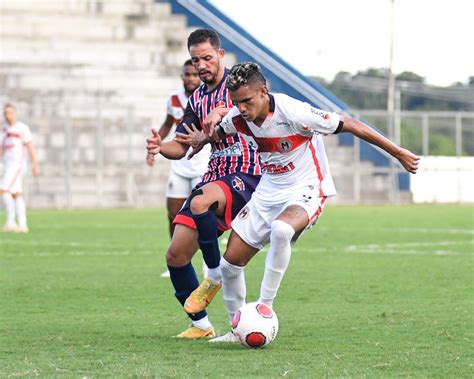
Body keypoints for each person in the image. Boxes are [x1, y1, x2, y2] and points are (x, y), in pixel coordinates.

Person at [180, 62, 420, 342]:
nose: (242, 108)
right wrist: (202, 138)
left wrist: (398, 152)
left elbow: (351, 124)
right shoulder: (238, 117)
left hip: (305, 188)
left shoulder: (295, 113)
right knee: (229, 266)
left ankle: (264, 308)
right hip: (268, 190)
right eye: (236, 102)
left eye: (246, 101)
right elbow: (219, 132)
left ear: (263, 91)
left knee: (282, 230)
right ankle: (238, 331)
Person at [146, 30, 262, 339]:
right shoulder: (196, 98)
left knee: (199, 203)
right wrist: (160, 147)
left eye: (208, 58)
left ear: (221, 55)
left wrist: (222, 111)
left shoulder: (238, 83)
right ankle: (201, 325)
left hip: (246, 171)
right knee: (175, 255)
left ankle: (213, 273)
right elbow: (181, 146)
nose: (202, 66)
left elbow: (256, 107)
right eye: (196, 60)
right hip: (215, 174)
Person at [147, 59, 210, 278]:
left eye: (194, 74)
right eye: (187, 74)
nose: (191, 78)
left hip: (202, 164)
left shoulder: (205, 97)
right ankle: (179, 261)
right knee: (173, 213)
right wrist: (157, 145)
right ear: (182, 76)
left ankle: (208, 263)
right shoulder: (174, 99)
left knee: (202, 215)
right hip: (179, 165)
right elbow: (167, 124)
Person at [1, 103, 40, 233]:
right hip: (7, 165)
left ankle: (11, 221)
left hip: (17, 165)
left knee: (3, 190)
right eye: (6, 113)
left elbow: (30, 147)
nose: (8, 116)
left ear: (15, 113)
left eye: (10, 113)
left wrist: (35, 164)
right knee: (17, 194)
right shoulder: (4, 129)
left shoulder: (22, 128)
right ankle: (22, 224)